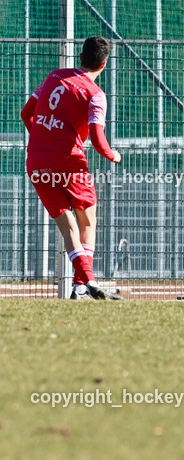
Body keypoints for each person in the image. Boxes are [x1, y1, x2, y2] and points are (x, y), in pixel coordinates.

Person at [22, 36, 121, 300]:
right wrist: (113, 155)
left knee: (68, 228)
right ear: (104, 64)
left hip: (37, 161)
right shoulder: (95, 94)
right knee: (88, 221)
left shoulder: (54, 76)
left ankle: (81, 287)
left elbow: (26, 114)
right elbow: (98, 140)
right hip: (69, 163)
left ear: (80, 57)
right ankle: (86, 283)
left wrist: (43, 138)